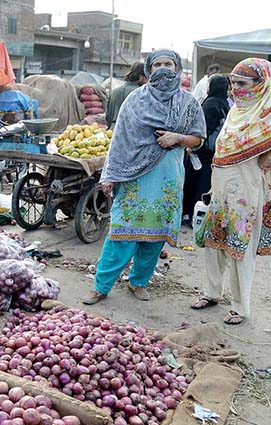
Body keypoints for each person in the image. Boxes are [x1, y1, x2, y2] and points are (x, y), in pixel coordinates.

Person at [191, 58, 271, 325]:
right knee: (213, 243)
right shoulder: (238, 111)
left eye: (242, 83)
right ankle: (211, 293)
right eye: (233, 83)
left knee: (239, 249)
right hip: (222, 189)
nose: (236, 89)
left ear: (261, 84)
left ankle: (239, 307)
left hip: (248, 192)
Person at [83, 49, 206, 305]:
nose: (163, 68)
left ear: (177, 67)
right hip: (134, 177)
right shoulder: (134, 101)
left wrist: (178, 138)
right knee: (121, 234)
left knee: (154, 236)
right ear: (148, 69)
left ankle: (138, 282)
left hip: (168, 178)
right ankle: (101, 286)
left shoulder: (189, 103)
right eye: (158, 64)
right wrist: (110, 175)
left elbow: (199, 138)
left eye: (168, 64)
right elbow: (119, 141)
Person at [183, 75, 230, 225]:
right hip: (214, 152)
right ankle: (200, 215)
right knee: (206, 183)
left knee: (194, 182)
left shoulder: (210, 104)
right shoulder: (225, 104)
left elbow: (203, 129)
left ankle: (190, 214)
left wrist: (192, 145)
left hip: (201, 150)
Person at [106, 62, 147, 129]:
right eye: (147, 77)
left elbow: (108, 117)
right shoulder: (141, 93)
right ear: (141, 77)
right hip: (131, 134)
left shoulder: (114, 92)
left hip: (112, 132)